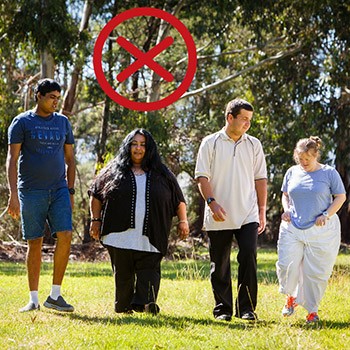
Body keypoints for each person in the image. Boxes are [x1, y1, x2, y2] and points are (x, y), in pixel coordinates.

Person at [89, 128, 189, 315]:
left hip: (152, 232)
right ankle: (125, 307)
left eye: (143, 145)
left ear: (149, 148)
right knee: (124, 274)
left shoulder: (162, 172)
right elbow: (95, 194)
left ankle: (146, 304)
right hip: (119, 235)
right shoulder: (113, 170)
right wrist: (95, 220)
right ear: (128, 147)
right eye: (134, 144)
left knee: (149, 271)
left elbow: (179, 199)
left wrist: (183, 221)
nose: (138, 148)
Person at [6, 78, 76, 313]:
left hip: (58, 190)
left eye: (58, 97)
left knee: (65, 234)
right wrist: (13, 194)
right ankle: (33, 299)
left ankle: (55, 295)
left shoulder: (63, 123)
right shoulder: (22, 122)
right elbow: (12, 160)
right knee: (34, 241)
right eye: (51, 97)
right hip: (30, 190)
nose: (55, 102)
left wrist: (71, 190)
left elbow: (70, 159)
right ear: (38, 95)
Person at [195, 98, 267, 321]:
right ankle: (223, 310)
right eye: (244, 119)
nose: (247, 123)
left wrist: (262, 210)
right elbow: (201, 176)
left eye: (250, 120)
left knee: (248, 256)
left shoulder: (254, 144)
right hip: (219, 213)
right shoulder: (210, 143)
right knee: (220, 263)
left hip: (248, 213)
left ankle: (246, 308)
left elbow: (260, 178)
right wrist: (212, 202)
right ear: (230, 118)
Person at [276, 136, 346, 324]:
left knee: (315, 272)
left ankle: (312, 311)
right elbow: (285, 195)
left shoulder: (329, 173)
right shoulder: (292, 172)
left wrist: (327, 214)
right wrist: (287, 209)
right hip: (293, 227)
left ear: (316, 155)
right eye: (300, 159)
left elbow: (340, 197)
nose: (303, 162)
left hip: (321, 229)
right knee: (286, 265)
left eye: (307, 159)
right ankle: (291, 297)